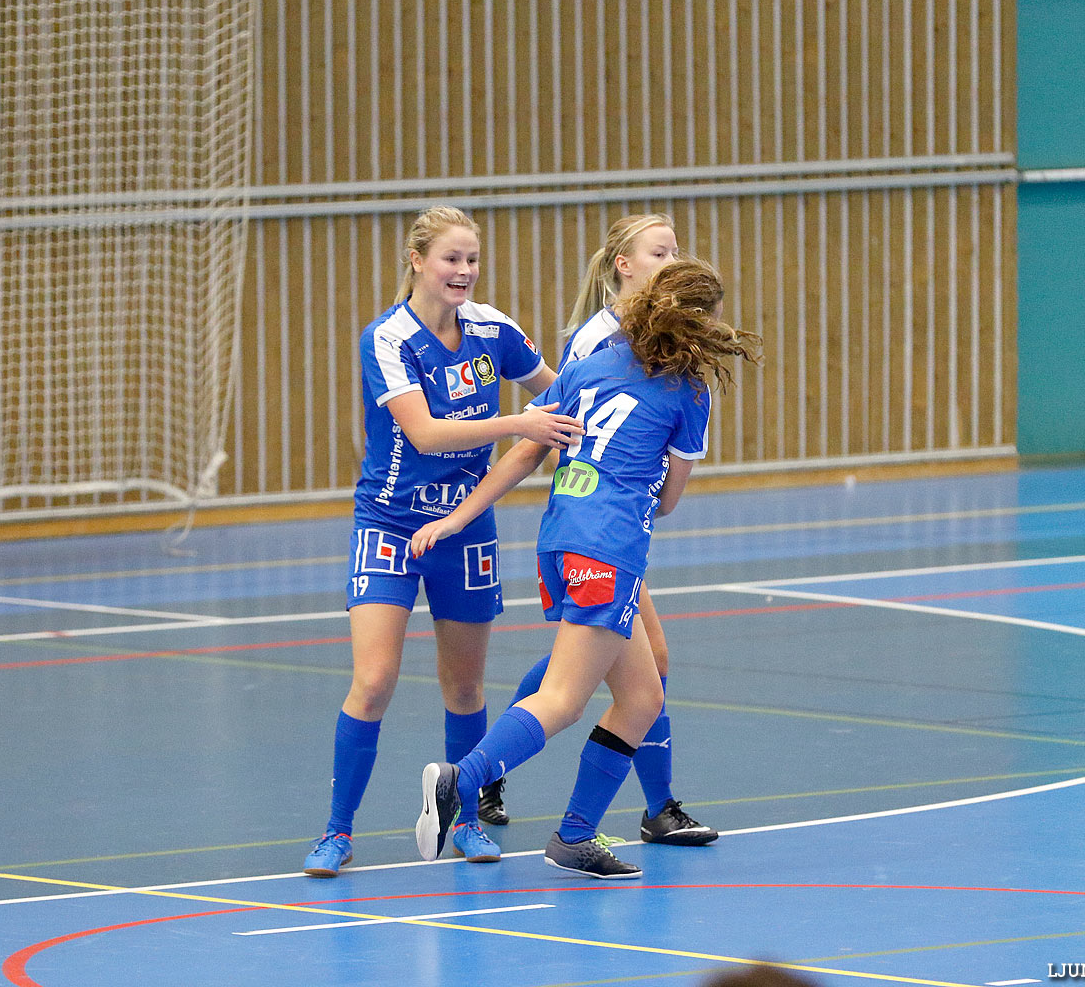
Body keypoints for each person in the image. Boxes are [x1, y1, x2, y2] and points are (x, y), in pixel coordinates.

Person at [411, 257, 761, 878]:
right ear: (698, 323)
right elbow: (670, 500)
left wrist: (459, 517)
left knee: (642, 694)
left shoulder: (590, 365)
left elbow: (527, 450)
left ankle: (575, 836)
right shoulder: (688, 390)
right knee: (565, 698)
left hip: (558, 536)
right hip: (609, 546)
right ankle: (461, 782)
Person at [302, 206, 583, 877]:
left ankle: (463, 821)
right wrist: (519, 422)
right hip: (392, 524)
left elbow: (564, 393)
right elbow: (425, 434)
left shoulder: (494, 330)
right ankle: (337, 833)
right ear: (417, 261)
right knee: (372, 681)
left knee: (463, 684)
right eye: (451, 258)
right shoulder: (389, 339)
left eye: (472, 260)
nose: (463, 271)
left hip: (466, 527)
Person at [476, 213, 718, 848]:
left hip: (605, 524)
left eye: (676, 252)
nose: (672, 261)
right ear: (625, 266)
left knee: (633, 665)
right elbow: (560, 437)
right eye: (659, 252)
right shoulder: (598, 345)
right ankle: (486, 771)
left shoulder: (666, 343)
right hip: (600, 524)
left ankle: (650, 805)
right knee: (585, 678)